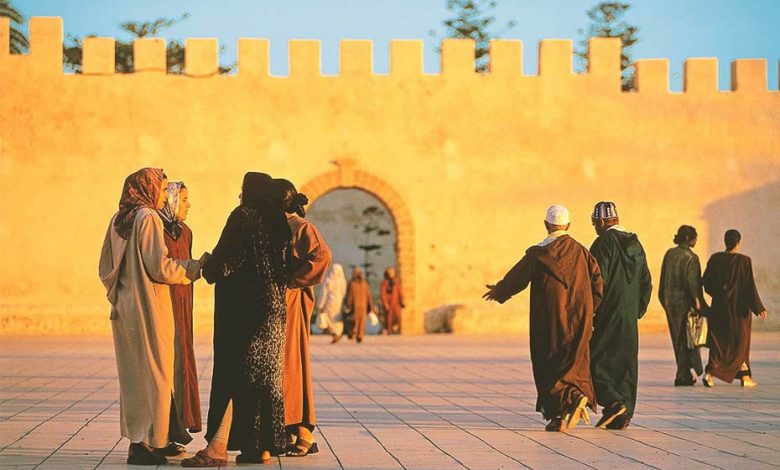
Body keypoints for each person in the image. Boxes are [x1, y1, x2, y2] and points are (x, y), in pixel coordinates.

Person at [182, 172, 291, 467]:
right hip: (274, 315)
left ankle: (217, 449)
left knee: (234, 378)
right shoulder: (277, 222)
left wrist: (207, 266)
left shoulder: (243, 217)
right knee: (264, 383)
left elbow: (224, 263)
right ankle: (259, 448)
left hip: (244, 316)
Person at [98, 168, 204, 465]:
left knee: (135, 377)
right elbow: (159, 266)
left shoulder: (118, 218)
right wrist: (193, 268)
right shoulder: (147, 217)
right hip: (150, 308)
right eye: (162, 187)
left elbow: (104, 266)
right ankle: (149, 443)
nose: (163, 193)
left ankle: (141, 439)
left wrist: (120, 293)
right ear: (149, 188)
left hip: (125, 310)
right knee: (157, 375)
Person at [483, 205, 603, 432]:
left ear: (547, 225)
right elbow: (598, 284)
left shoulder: (537, 254)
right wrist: (590, 310)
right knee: (575, 360)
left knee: (549, 360)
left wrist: (499, 291)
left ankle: (558, 414)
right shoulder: (582, 252)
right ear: (568, 225)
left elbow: (517, 278)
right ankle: (574, 395)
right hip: (579, 318)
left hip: (548, 319)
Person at [273, 179, 332, 457]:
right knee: (280, 367)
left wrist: (293, 281)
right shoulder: (278, 227)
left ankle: (304, 431)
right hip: (277, 306)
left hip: (292, 305)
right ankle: (288, 428)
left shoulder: (301, 227)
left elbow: (322, 257)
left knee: (292, 364)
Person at [589, 201, 652, 430]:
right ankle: (623, 413)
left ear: (604, 221)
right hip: (628, 315)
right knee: (626, 362)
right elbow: (646, 281)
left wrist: (591, 310)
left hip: (607, 313)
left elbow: (597, 280)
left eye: (595, 223)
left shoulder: (603, 243)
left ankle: (613, 402)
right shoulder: (636, 243)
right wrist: (637, 310)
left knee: (594, 358)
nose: (595, 227)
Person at [158, 181, 203, 450]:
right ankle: (162, 432)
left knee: (180, 365)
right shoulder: (155, 230)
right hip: (163, 306)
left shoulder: (184, 232)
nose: (188, 205)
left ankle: (176, 429)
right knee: (164, 366)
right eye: (183, 199)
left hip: (183, 306)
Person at [702, 229, 768, 388]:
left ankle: (710, 373)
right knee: (741, 343)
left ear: (725, 241)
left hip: (719, 309)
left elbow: (706, 283)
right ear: (738, 242)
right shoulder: (744, 261)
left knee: (718, 343)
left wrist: (719, 295)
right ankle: (744, 377)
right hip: (739, 312)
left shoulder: (715, 259)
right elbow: (749, 287)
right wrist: (758, 307)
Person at [659, 225, 706, 386]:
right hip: (685, 304)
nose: (695, 241)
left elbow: (662, 280)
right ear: (688, 238)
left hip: (670, 303)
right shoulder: (691, 258)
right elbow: (694, 285)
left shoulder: (670, 254)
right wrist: (699, 305)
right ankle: (682, 374)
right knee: (687, 340)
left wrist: (664, 300)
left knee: (677, 338)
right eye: (694, 237)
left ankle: (684, 372)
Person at [317, 263, 348, 342]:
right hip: (340, 302)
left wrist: (320, 305)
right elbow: (345, 292)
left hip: (330, 302)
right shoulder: (343, 281)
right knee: (338, 318)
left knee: (330, 318)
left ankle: (334, 334)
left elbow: (324, 293)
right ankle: (338, 333)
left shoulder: (329, 280)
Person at [345, 267, 374, 343]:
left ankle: (353, 332)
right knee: (361, 321)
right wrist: (370, 306)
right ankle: (359, 335)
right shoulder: (365, 283)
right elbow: (369, 296)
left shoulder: (352, 283)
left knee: (354, 320)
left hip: (355, 306)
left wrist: (348, 304)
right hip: (363, 306)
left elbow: (349, 296)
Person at [380, 267, 404, 334]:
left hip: (396, 303)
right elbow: (383, 294)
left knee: (397, 316)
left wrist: (402, 301)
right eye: (390, 273)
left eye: (392, 272)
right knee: (388, 318)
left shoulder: (396, 282)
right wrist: (385, 303)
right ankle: (389, 330)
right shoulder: (384, 283)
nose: (391, 274)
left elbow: (400, 292)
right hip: (389, 303)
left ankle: (395, 327)